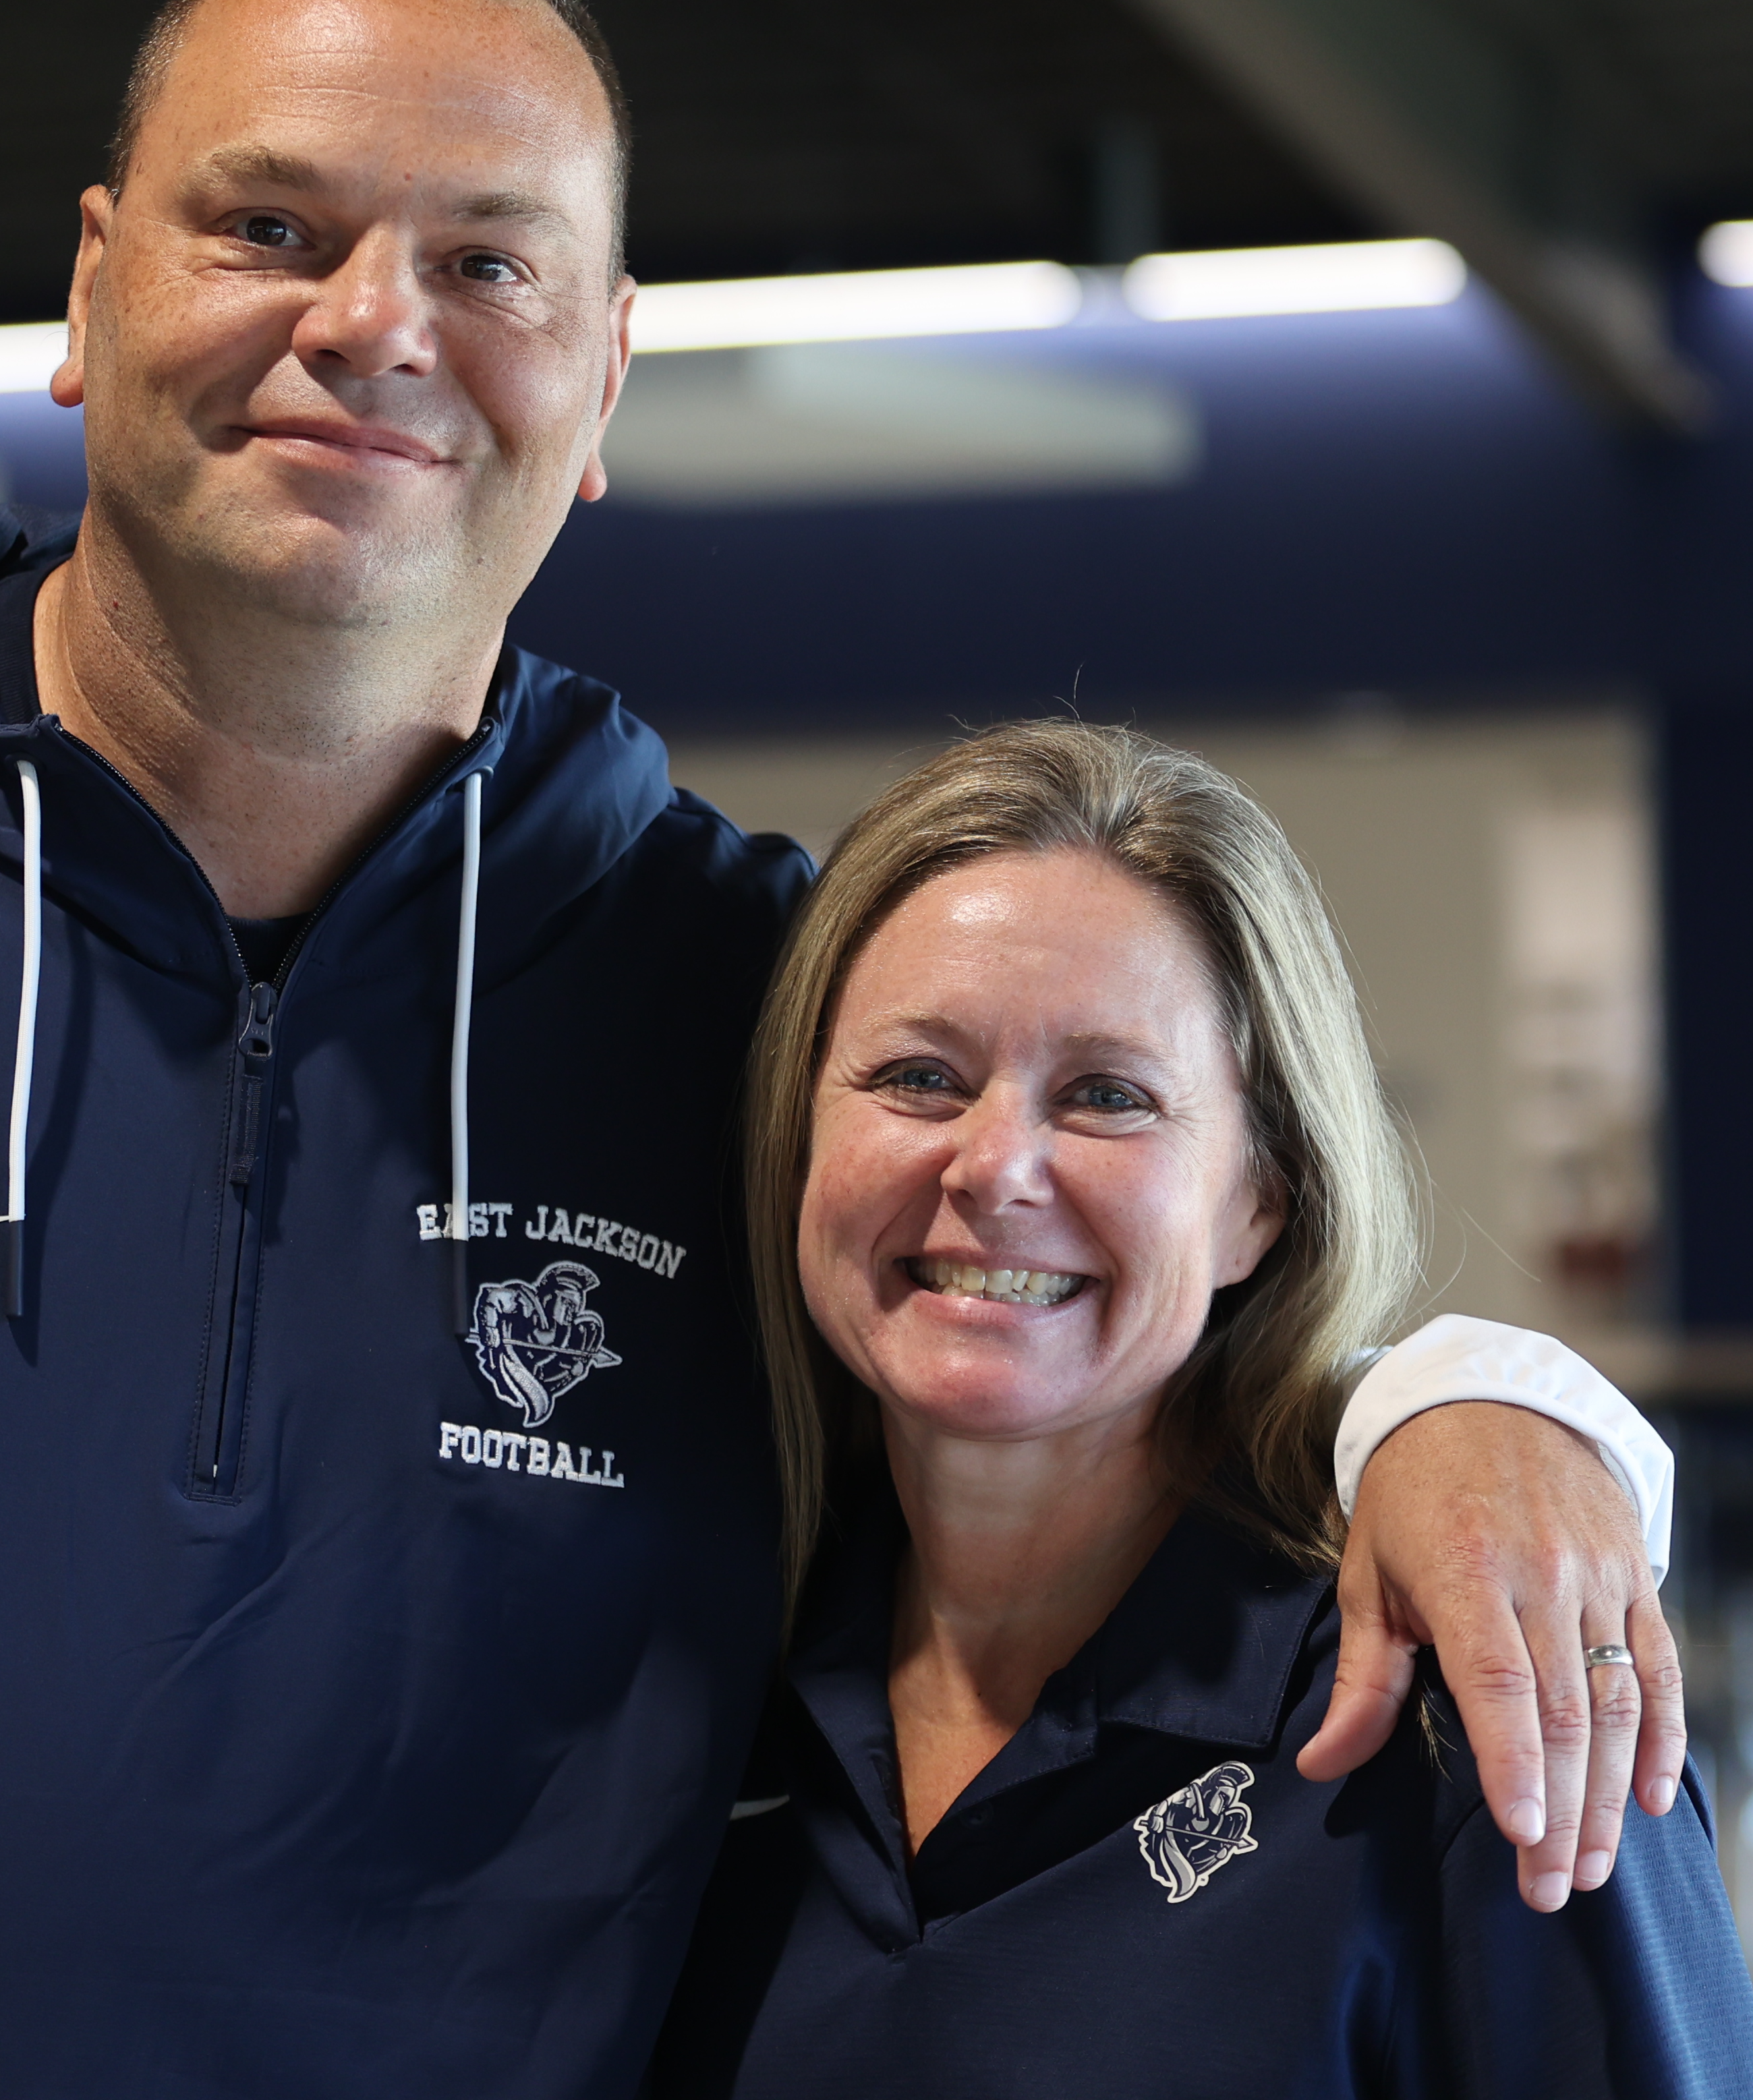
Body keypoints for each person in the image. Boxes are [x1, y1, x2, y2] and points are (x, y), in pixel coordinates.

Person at [0, 0, 1683, 2099]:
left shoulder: (739, 998)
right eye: (269, 224)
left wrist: (1479, 1405)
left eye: (487, 260)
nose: (370, 324)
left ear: (607, 367)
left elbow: (1052, 1314)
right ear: (92, 282)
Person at [651, 724, 1752, 2097]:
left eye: (1109, 1096)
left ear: (1260, 1202)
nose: (995, 1166)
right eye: (917, 1076)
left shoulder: (1476, 1699)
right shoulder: (688, 1708)